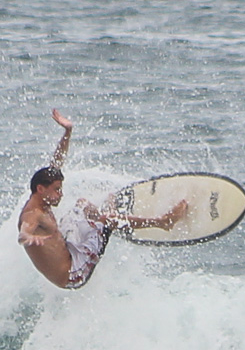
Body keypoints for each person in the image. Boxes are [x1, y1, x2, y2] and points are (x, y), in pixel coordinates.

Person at [18, 109, 189, 289]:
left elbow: (56, 164)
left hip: (68, 248)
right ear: (40, 188)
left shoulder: (42, 199)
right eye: (57, 190)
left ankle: (103, 221)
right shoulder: (33, 213)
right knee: (105, 221)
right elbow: (23, 231)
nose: (60, 194)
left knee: (81, 204)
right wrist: (28, 237)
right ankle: (163, 222)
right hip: (73, 273)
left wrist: (68, 132)